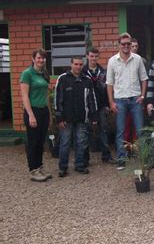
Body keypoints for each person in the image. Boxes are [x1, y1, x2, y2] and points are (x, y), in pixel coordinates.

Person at [106, 32, 148, 169]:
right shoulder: (112, 61)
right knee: (120, 131)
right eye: (123, 44)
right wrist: (111, 102)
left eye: (128, 44)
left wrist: (142, 95)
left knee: (140, 130)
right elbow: (109, 83)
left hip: (135, 99)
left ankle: (143, 158)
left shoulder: (138, 59)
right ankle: (121, 159)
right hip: (120, 100)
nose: (126, 46)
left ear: (131, 44)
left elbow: (144, 78)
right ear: (119, 45)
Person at [55, 56, 98, 177]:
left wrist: (94, 116)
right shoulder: (62, 79)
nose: (78, 67)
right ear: (71, 64)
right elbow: (57, 99)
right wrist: (59, 117)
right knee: (65, 143)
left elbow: (92, 99)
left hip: (82, 118)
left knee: (81, 142)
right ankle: (63, 167)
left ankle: (79, 165)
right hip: (66, 119)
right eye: (76, 64)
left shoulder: (87, 80)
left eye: (80, 64)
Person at [20, 49, 52, 182]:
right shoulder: (27, 74)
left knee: (40, 142)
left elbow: (46, 96)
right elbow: (25, 96)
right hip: (32, 111)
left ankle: (39, 167)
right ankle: (33, 170)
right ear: (33, 59)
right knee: (33, 142)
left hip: (43, 111)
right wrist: (31, 115)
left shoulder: (44, 73)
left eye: (43, 58)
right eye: (39, 58)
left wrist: (49, 113)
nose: (41, 60)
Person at [82, 47, 112, 163]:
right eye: (91, 56)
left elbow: (106, 89)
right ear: (87, 56)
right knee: (87, 131)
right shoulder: (83, 72)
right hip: (87, 107)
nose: (93, 58)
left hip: (101, 106)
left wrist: (108, 104)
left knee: (104, 130)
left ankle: (106, 155)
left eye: (95, 56)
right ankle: (85, 158)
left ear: (98, 57)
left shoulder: (103, 72)